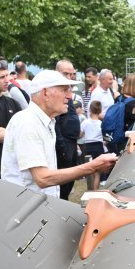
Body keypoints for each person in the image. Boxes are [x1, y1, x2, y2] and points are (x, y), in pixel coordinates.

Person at [0, 70, 117, 196]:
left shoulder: (46, 121)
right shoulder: (27, 122)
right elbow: (42, 178)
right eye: (64, 90)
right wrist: (92, 167)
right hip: (27, 208)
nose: (70, 96)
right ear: (45, 93)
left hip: (37, 205)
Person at [54, 60, 82, 199]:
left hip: (71, 142)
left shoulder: (67, 91)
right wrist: (62, 147)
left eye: (72, 74)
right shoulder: (56, 93)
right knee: (62, 187)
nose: (69, 77)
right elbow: (55, 123)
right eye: (66, 74)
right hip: (63, 145)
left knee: (69, 182)